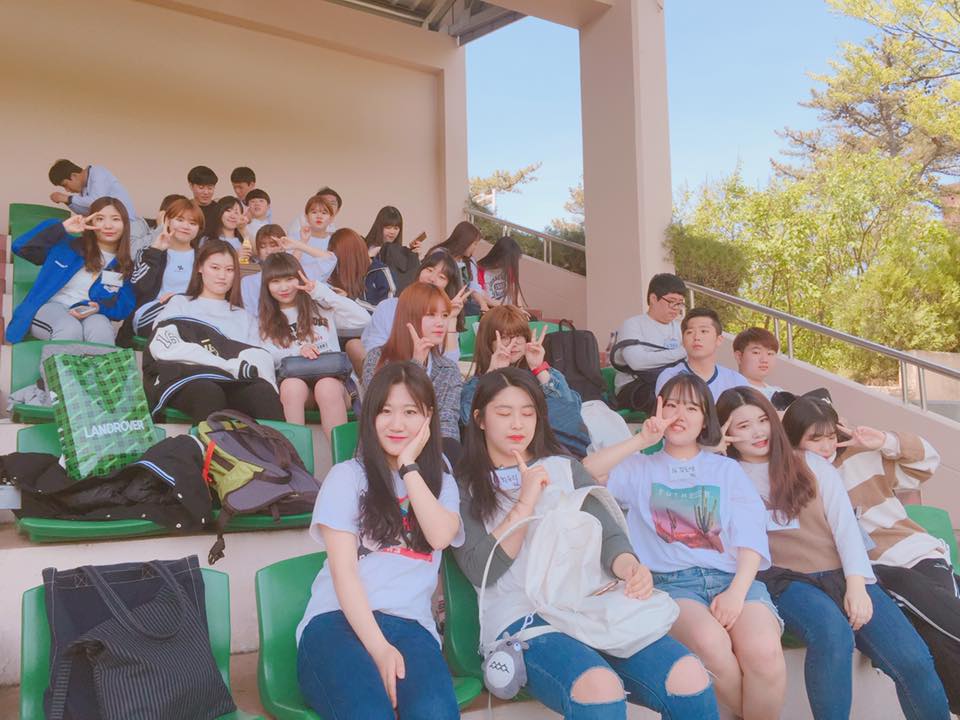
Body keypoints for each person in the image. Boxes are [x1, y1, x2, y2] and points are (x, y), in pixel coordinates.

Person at [454, 368, 720, 719]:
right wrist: (525, 503)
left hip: (591, 602)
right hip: (523, 616)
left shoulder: (563, 467)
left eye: (528, 413)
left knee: (688, 675)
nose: (517, 423)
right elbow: (481, 570)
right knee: (599, 686)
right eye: (504, 413)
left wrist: (629, 567)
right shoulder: (463, 485)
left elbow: (610, 534)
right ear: (480, 419)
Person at [718, 387, 949, 720]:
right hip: (786, 580)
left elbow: (845, 528)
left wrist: (857, 585)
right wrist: (711, 453)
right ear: (725, 432)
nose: (757, 432)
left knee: (912, 659)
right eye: (742, 426)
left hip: (841, 572)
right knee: (832, 634)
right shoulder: (724, 474)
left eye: (762, 420)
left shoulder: (809, 463)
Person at [583, 375, 786, 719]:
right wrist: (641, 440)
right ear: (658, 410)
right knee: (710, 645)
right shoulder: (639, 468)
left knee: (765, 653)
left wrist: (736, 594)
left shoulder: (726, 470)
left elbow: (751, 537)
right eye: (672, 405)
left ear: (705, 419)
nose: (680, 414)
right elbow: (585, 473)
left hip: (733, 579)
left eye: (691, 408)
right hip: (673, 585)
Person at [296, 361, 463, 720]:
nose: (396, 423)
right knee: (368, 713)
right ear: (370, 417)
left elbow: (439, 536)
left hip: (411, 627)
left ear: (428, 417)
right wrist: (379, 648)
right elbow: (344, 573)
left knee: (435, 713)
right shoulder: (347, 477)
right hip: (336, 622)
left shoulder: (443, 484)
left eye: (409, 412)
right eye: (385, 411)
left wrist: (409, 466)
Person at [783, 396, 960, 713]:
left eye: (831, 436)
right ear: (794, 440)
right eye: (815, 439)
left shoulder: (861, 457)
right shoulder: (793, 478)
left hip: (916, 554)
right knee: (924, 639)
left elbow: (928, 463)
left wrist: (884, 441)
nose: (826, 446)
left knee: (935, 632)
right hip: (874, 572)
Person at [142, 239, 283, 422]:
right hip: (188, 377)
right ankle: (210, 442)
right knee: (209, 391)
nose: (222, 276)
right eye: (215, 268)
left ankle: (275, 441)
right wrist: (225, 364)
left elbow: (257, 358)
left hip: (231, 381)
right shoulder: (180, 304)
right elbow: (163, 346)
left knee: (262, 392)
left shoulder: (244, 317)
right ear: (200, 268)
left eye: (229, 270)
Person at [461, 306, 590, 457]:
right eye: (505, 337)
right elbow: (469, 420)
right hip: (504, 455)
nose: (514, 343)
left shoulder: (546, 374)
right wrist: (492, 375)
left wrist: (538, 369)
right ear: (489, 342)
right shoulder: (474, 385)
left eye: (519, 336)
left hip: (558, 451)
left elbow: (570, 415)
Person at [9, 197, 135, 345]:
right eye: (100, 219)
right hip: (52, 308)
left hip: (90, 313)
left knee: (101, 329)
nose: (108, 225)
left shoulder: (123, 265)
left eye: (115, 219)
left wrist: (99, 308)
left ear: (125, 224)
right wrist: (61, 228)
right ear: (91, 222)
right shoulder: (66, 246)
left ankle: (101, 362)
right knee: (70, 327)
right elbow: (21, 247)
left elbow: (124, 307)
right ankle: (60, 362)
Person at [258, 253, 353, 439]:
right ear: (266, 285)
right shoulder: (264, 320)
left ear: (300, 278)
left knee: (326, 386)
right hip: (298, 388)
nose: (284, 287)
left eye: (289, 279)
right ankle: (294, 455)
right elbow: (264, 354)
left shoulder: (321, 306)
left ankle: (343, 457)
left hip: (335, 385)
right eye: (275, 281)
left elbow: (363, 319)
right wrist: (297, 351)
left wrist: (322, 293)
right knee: (291, 386)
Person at [362, 283, 462, 458]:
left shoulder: (448, 369)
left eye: (445, 315)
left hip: (432, 457)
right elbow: (379, 412)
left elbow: (448, 425)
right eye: (431, 315)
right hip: (382, 456)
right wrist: (416, 365)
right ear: (409, 316)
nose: (440, 323)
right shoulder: (377, 358)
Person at [363, 250, 465, 363]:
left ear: (448, 286)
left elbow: (450, 364)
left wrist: (452, 318)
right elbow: (373, 352)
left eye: (441, 277)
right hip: (389, 371)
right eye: (429, 270)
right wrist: (414, 361)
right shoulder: (388, 307)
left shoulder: (442, 318)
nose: (432, 278)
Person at [610, 273, 688, 413]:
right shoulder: (633, 324)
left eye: (680, 303)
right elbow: (637, 362)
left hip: (671, 384)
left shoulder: (679, 328)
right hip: (635, 387)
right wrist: (682, 351)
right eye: (672, 301)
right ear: (653, 298)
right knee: (670, 396)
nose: (676, 308)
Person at [128, 197, 203, 337]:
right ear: (167, 221)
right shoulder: (147, 252)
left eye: (193, 223)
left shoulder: (204, 258)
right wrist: (155, 252)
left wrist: (179, 297)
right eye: (180, 220)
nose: (186, 226)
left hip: (191, 312)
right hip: (152, 313)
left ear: (198, 229)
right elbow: (140, 287)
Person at [47, 159, 151, 255]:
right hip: (116, 231)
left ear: (74, 176)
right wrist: (67, 202)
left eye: (65, 185)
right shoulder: (84, 190)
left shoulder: (97, 173)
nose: (67, 190)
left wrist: (67, 198)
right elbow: (87, 212)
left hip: (131, 227)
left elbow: (98, 200)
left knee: (134, 258)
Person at [240, 224, 340, 315]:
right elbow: (249, 315)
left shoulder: (299, 274)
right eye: (262, 247)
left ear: (283, 246)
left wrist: (298, 245)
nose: (268, 251)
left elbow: (329, 259)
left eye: (273, 245)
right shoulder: (248, 282)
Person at [654, 308, 750, 402]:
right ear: (683, 341)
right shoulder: (669, 377)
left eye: (703, 331)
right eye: (690, 332)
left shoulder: (736, 381)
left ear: (719, 340)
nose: (696, 337)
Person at [329, 228, 396, 311]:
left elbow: (386, 311)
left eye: (341, 258)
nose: (340, 263)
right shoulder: (340, 272)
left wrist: (350, 300)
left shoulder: (381, 272)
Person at [366, 206, 424, 292]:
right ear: (379, 227)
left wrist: (414, 257)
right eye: (388, 227)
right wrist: (369, 256)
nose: (392, 232)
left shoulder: (400, 252)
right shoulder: (365, 247)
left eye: (396, 228)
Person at [434, 221, 485, 315]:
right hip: (439, 302)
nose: (475, 248)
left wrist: (483, 305)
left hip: (461, 304)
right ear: (465, 241)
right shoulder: (440, 254)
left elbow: (473, 286)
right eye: (474, 244)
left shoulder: (469, 261)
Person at [732, 328, 783, 400]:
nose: (764, 360)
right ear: (739, 356)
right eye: (756, 352)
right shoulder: (729, 390)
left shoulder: (780, 394)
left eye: (770, 353)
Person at [477, 235, 526, 308]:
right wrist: (503, 306)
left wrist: (520, 308)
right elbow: (482, 296)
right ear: (499, 256)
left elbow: (515, 291)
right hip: (492, 309)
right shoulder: (479, 270)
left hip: (509, 309)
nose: (511, 264)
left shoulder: (509, 268)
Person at [187, 165, 219, 231]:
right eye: (201, 187)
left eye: (210, 188)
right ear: (191, 186)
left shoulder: (220, 209)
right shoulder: (184, 209)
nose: (206, 192)